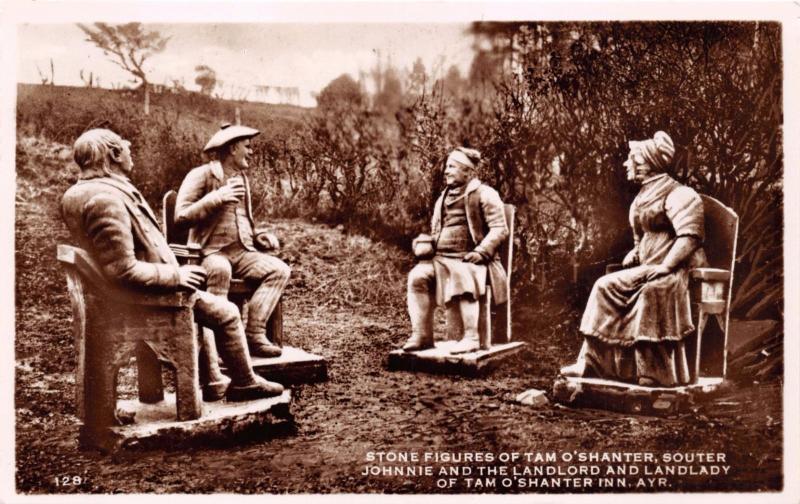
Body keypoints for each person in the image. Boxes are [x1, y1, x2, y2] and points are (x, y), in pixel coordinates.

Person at [61, 128, 284, 401]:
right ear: (115, 154)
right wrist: (175, 276)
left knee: (231, 298)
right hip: (147, 294)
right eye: (125, 146)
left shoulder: (91, 191)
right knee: (225, 312)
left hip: (144, 287)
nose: (131, 150)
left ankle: (215, 379)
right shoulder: (105, 199)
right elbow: (122, 269)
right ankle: (244, 383)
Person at [561, 131, 707, 387]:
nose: (626, 164)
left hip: (673, 273)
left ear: (646, 163)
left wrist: (666, 266)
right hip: (648, 268)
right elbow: (640, 234)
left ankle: (653, 372)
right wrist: (636, 251)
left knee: (651, 293)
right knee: (603, 286)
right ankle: (592, 363)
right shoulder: (642, 197)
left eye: (632, 159)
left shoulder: (680, 194)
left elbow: (690, 237)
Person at [175, 124, 291, 358]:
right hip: (210, 253)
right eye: (247, 147)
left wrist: (258, 237)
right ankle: (216, 348)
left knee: (279, 270)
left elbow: (243, 219)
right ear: (232, 149)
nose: (251, 152)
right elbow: (181, 216)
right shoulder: (201, 175)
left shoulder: (241, 179)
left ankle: (254, 334)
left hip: (242, 252)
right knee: (220, 270)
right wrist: (216, 197)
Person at [403, 147, 509, 354]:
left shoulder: (485, 194)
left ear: (468, 172)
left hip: (472, 259)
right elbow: (436, 232)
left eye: (452, 167)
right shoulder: (443, 198)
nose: (446, 171)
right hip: (440, 259)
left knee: (462, 274)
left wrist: (481, 252)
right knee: (417, 277)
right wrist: (426, 244)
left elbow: (500, 229)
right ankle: (421, 335)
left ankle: (471, 337)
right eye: (447, 166)